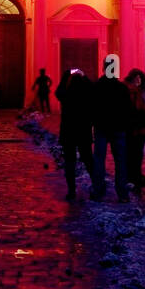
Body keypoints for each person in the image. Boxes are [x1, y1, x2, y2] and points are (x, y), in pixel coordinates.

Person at [90, 58, 133, 201]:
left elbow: (92, 108)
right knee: (121, 161)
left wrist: (94, 122)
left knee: (99, 160)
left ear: (104, 68)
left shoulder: (97, 86)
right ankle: (122, 193)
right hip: (118, 128)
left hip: (101, 127)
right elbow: (128, 109)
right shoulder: (121, 88)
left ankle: (98, 191)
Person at [55, 69, 94, 200]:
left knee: (69, 162)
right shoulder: (87, 95)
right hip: (84, 131)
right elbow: (92, 87)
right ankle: (96, 185)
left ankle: (71, 190)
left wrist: (67, 74)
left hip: (68, 132)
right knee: (88, 160)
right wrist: (84, 75)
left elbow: (58, 91)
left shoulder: (66, 95)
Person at [125, 68, 145, 190]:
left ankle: (137, 174)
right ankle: (131, 176)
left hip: (142, 127)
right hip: (133, 127)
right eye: (136, 78)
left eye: (140, 78)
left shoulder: (143, 91)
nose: (138, 80)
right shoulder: (129, 91)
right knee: (132, 152)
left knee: (138, 152)